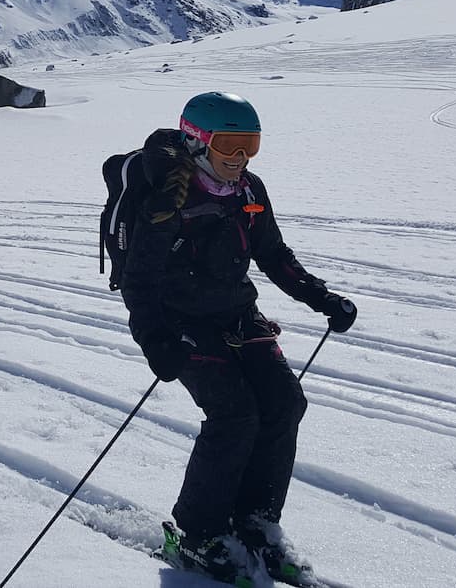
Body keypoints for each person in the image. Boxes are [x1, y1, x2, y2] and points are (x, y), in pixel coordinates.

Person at [119, 92, 358, 585]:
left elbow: (272, 253)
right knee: (234, 415)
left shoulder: (250, 190)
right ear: (198, 142)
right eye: (230, 143)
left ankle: (256, 522)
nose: (240, 156)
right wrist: (154, 339)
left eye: (250, 143)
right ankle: (199, 534)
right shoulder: (168, 198)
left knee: (285, 404)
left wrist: (322, 297)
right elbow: (139, 279)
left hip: (237, 314)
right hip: (181, 322)